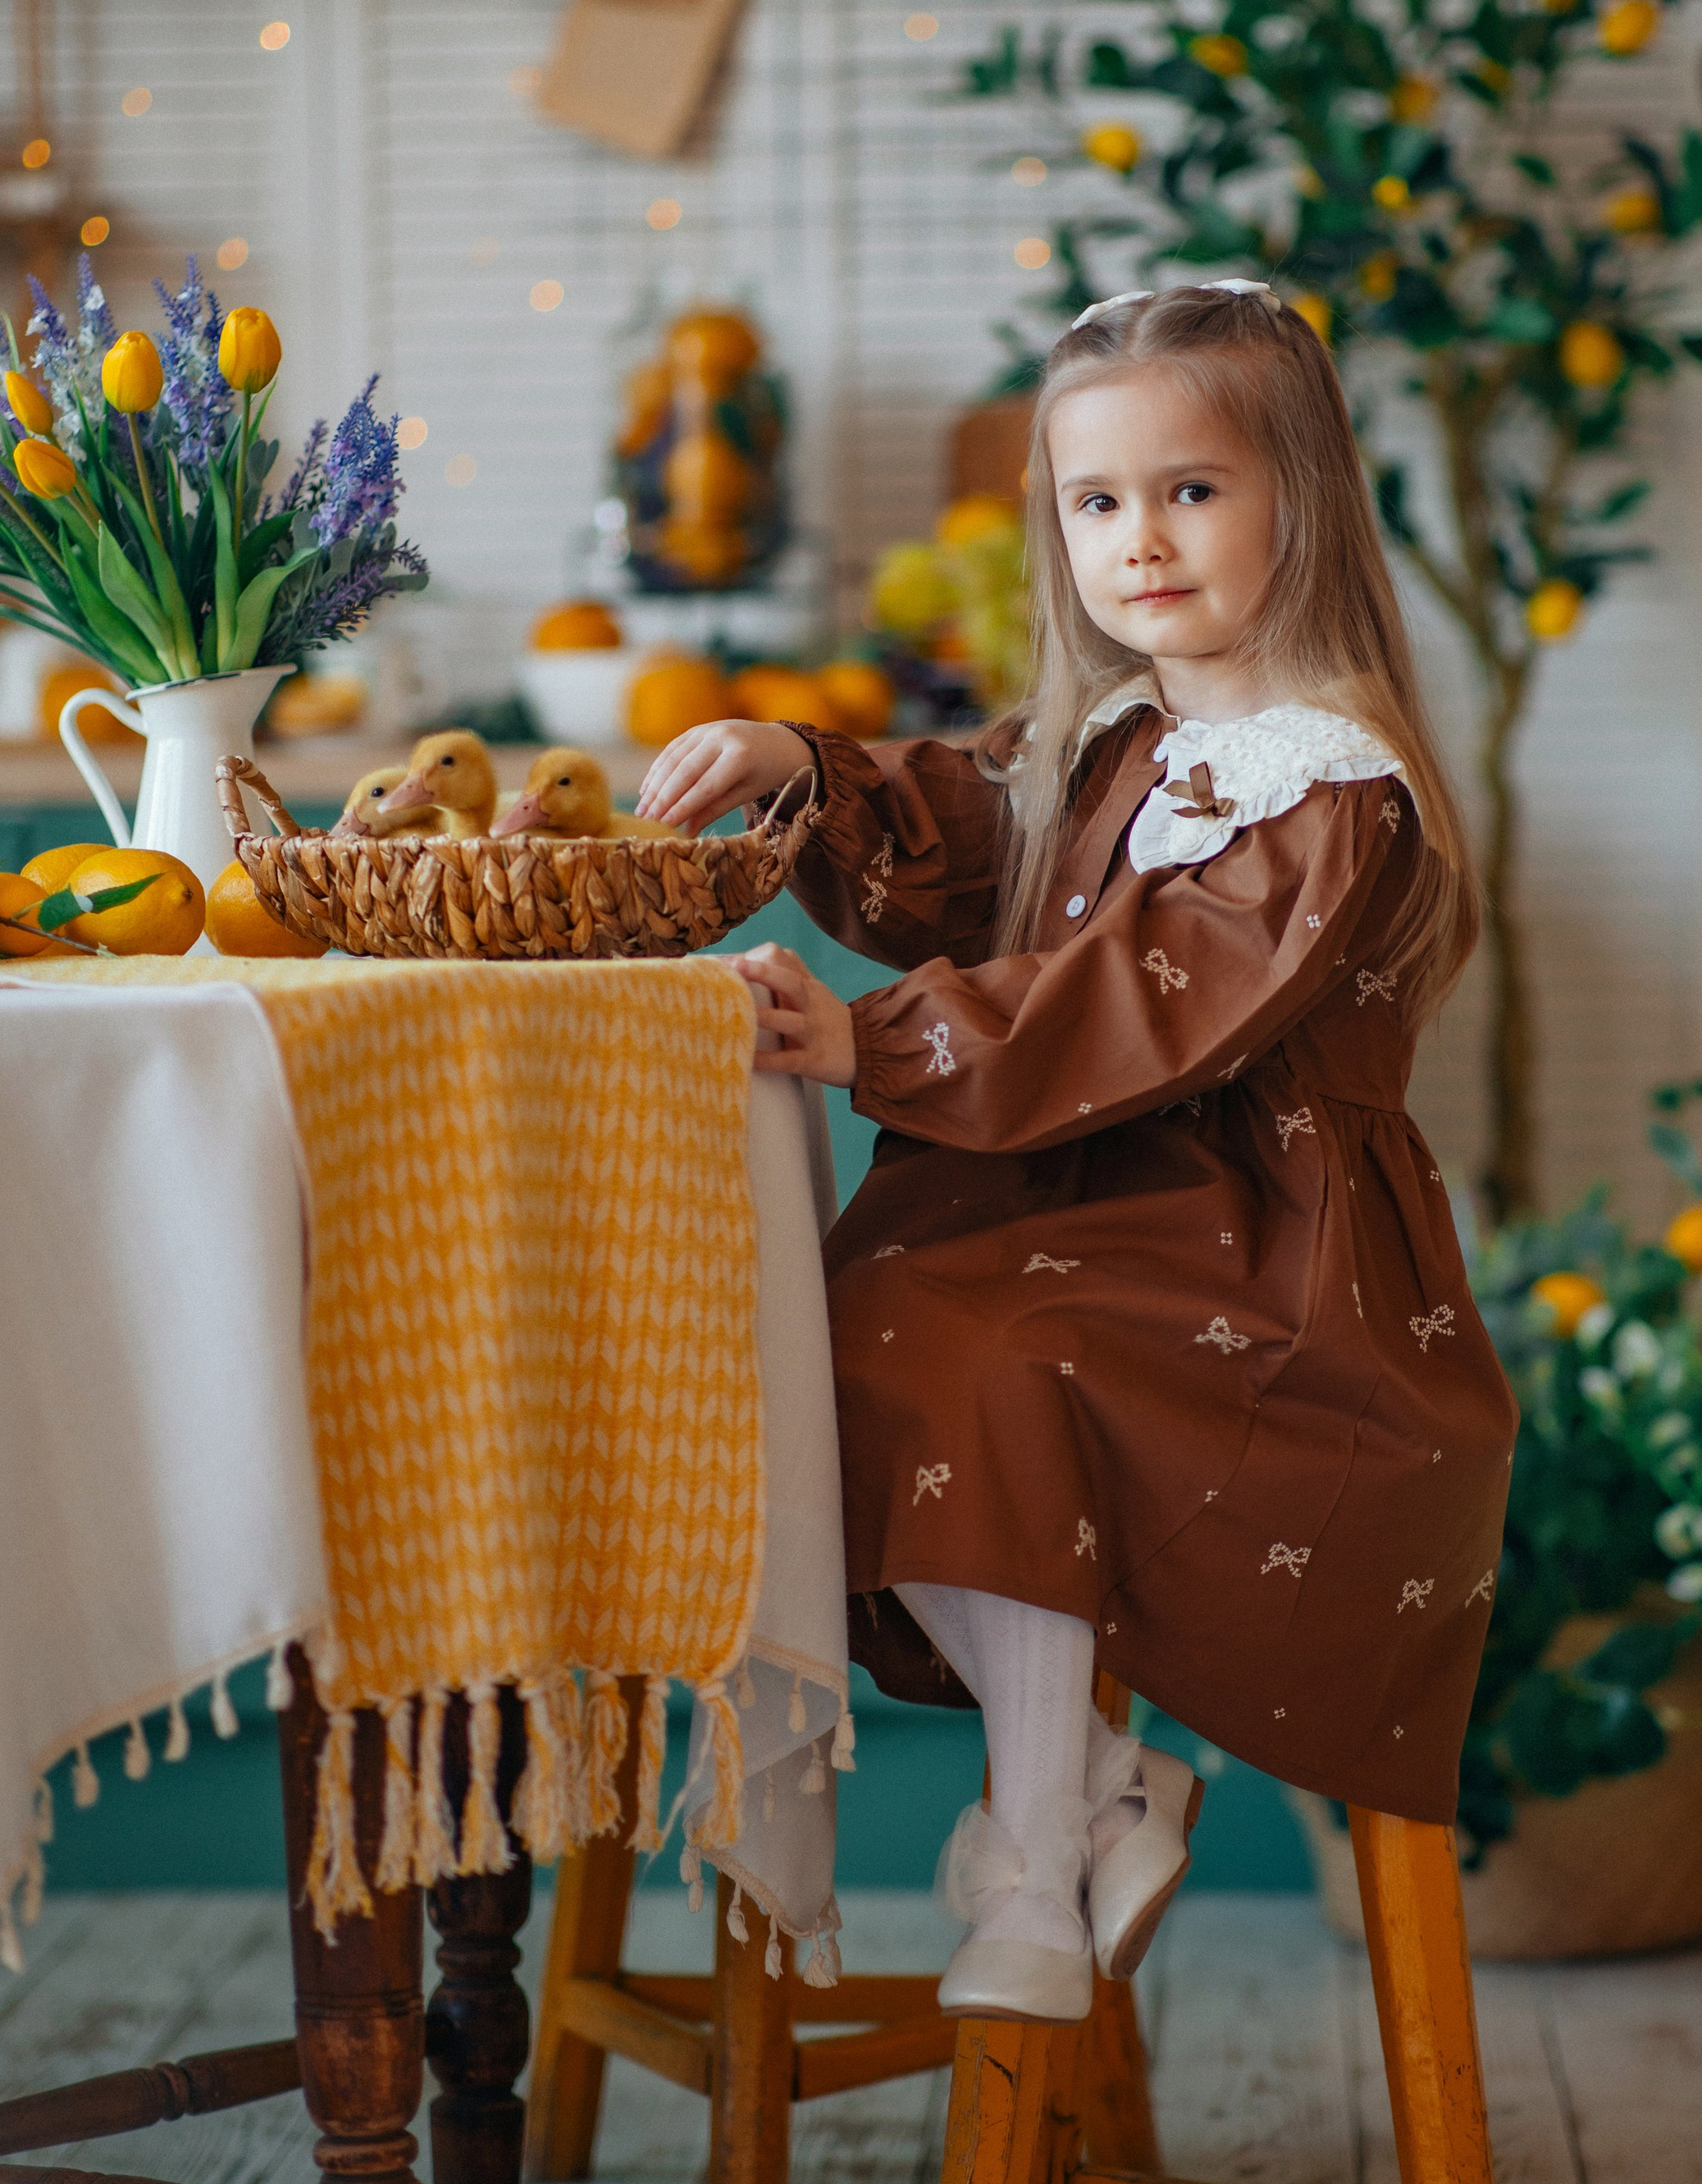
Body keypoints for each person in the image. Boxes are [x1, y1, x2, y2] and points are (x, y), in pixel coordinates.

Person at [637, 277, 1517, 2025]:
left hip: (1261, 1277)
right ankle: (1087, 1806)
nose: (1141, 541)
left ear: (1301, 499)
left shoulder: (1328, 783)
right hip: (1069, 1216)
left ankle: (1037, 1856)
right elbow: (963, 821)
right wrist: (795, 762)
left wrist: (867, 1037)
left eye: (1191, 490)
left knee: (996, 1359)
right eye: (1096, 502)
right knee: (832, 1352)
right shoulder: (1119, 738)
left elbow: (1146, 995)